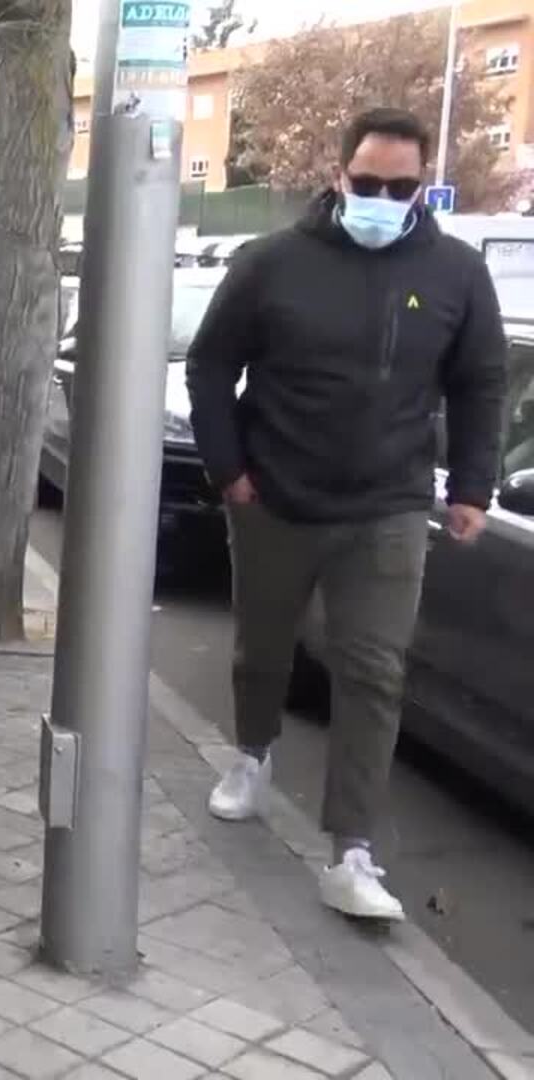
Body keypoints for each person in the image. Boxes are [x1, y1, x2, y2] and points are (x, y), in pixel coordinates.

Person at [186, 107, 507, 922]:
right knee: (264, 647)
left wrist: (471, 487)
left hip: (387, 508)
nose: (382, 200)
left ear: (422, 188)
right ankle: (253, 756)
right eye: (368, 183)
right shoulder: (272, 263)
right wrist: (230, 472)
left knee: (373, 671)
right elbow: (211, 364)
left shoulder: (456, 273)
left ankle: (352, 851)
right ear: (338, 177)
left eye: (401, 188)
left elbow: (481, 383)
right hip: (274, 498)